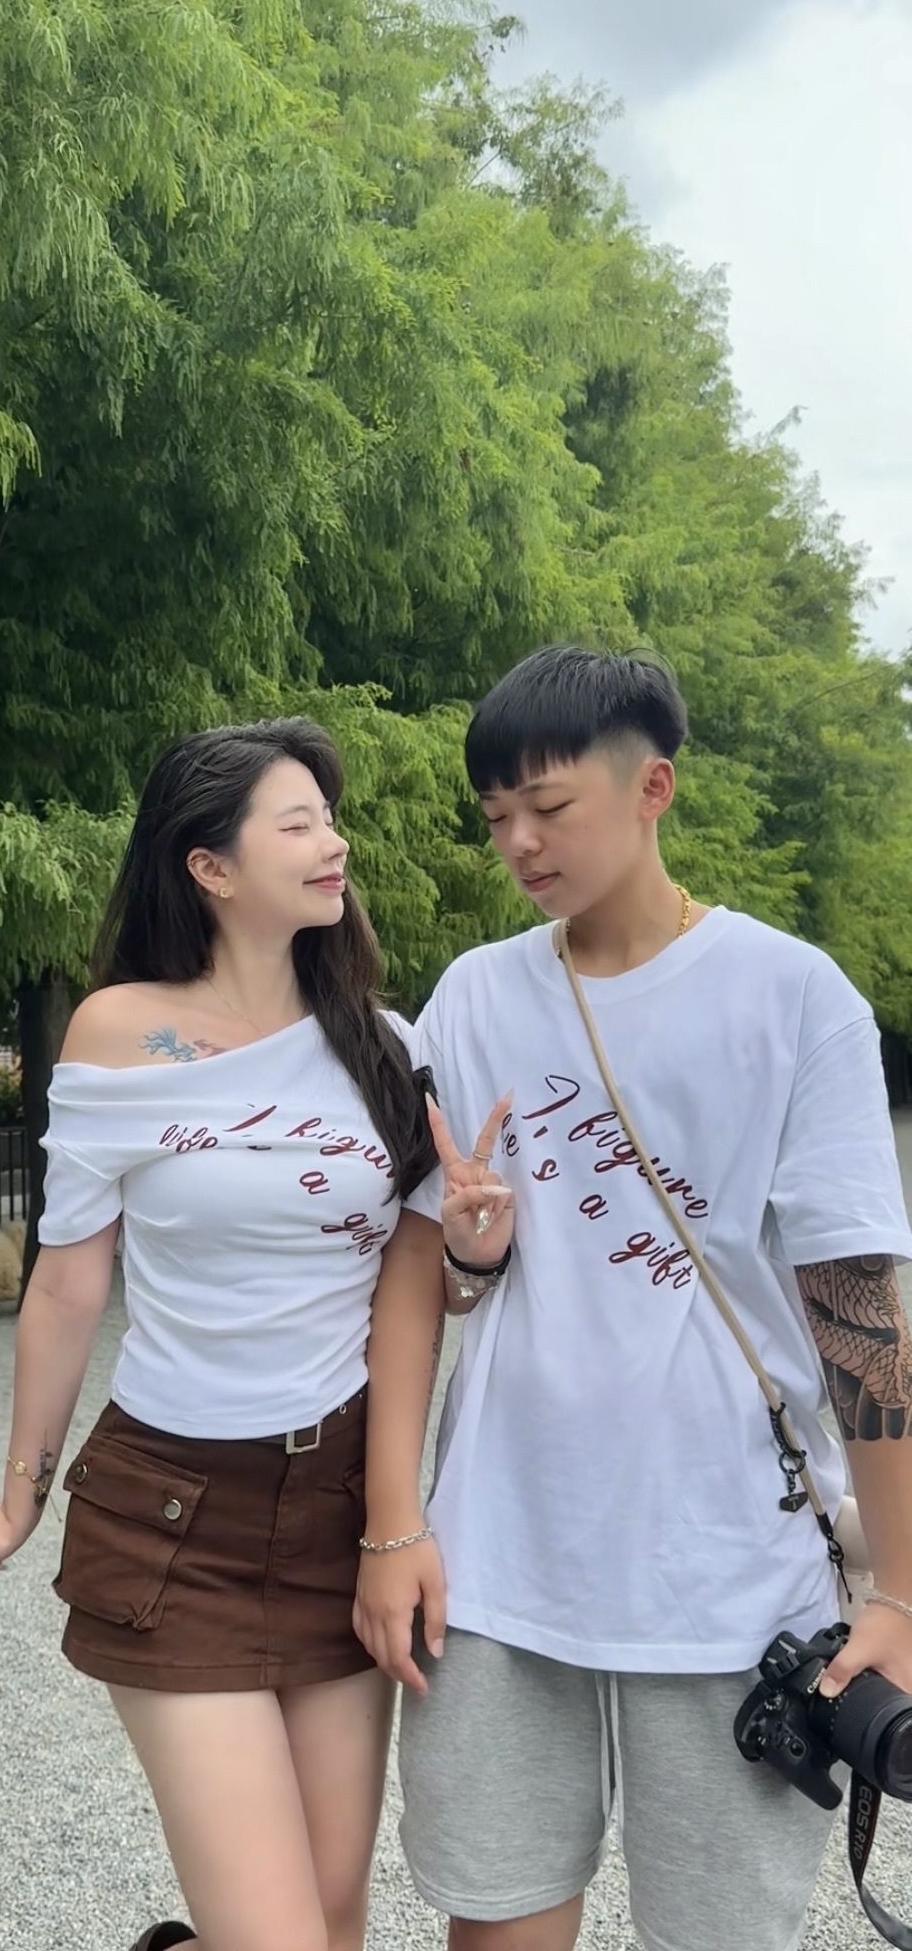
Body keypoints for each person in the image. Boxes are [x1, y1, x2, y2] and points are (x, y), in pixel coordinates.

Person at [355, 645, 912, 1951]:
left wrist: (894, 1586)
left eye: (547, 807)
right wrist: (392, 1522)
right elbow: (417, 1273)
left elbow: (860, 1314)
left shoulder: (792, 999)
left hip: (730, 1571)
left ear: (651, 786)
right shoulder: (476, 994)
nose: (519, 842)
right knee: (495, 1917)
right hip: (499, 1556)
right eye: (496, 815)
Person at [0, 717, 435, 1951]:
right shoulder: (119, 1030)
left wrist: (474, 1248)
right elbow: (65, 1284)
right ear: (209, 866)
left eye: (330, 818)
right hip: (173, 1516)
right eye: (298, 822)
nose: (334, 842)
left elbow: (421, 1285)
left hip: (339, 1511)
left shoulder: (387, 1043)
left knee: (336, 1921)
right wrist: (15, 1503)